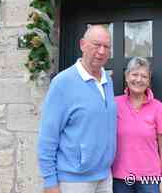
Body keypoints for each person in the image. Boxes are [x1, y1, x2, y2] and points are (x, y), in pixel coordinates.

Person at [38, 25, 117, 193]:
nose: (102, 51)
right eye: (96, 45)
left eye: (106, 47)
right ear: (82, 44)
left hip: (104, 177)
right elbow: (48, 136)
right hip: (73, 180)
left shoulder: (107, 81)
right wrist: (50, 182)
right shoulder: (62, 83)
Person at [112, 57, 162, 193]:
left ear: (149, 80)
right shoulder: (115, 104)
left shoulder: (158, 108)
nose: (138, 79)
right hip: (120, 178)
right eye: (134, 74)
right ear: (127, 77)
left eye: (144, 76)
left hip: (150, 180)